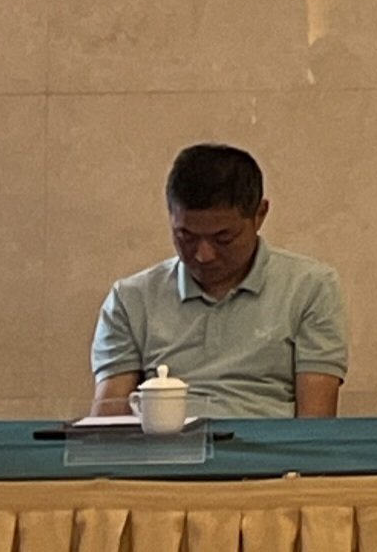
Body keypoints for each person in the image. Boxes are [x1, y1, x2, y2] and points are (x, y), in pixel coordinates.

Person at [89, 143, 349, 420]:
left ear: (259, 215)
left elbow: (315, 424)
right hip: (168, 443)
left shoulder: (310, 287)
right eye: (186, 236)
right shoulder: (131, 299)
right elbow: (108, 424)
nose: (204, 255)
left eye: (223, 238)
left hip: (268, 443)